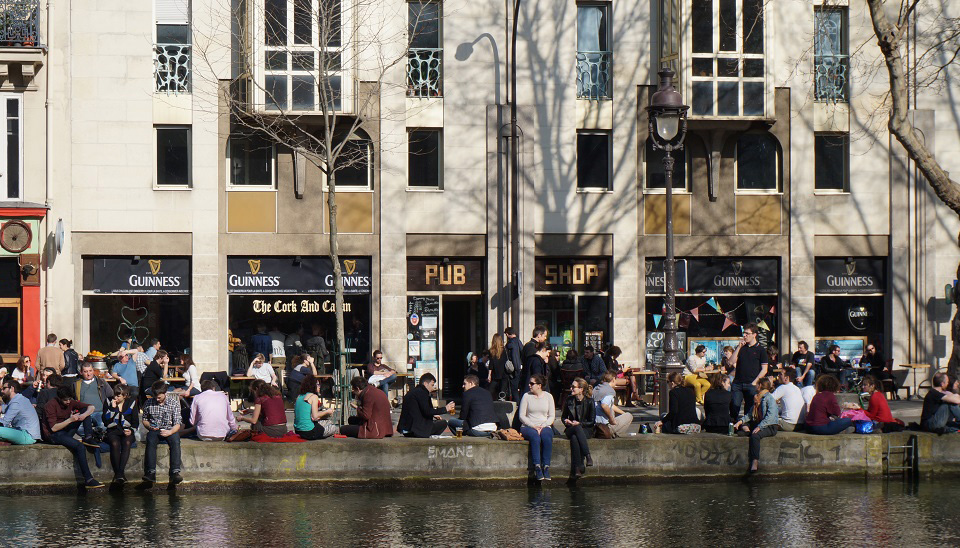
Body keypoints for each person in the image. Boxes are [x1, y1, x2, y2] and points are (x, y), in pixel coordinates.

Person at [46, 385, 103, 488]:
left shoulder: (71, 402)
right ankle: (88, 479)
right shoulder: (51, 405)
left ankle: (88, 437)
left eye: (69, 399)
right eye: (65, 400)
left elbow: (91, 407)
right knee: (80, 447)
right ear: (59, 398)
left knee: (85, 410)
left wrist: (83, 415)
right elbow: (54, 428)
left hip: (65, 431)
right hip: (54, 435)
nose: (68, 402)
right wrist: (70, 420)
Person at [141, 381, 183, 485]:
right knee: (150, 440)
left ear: (165, 393)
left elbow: (178, 423)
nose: (157, 399)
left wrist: (170, 432)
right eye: (155, 397)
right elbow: (145, 419)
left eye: (159, 397)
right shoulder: (149, 403)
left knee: (176, 441)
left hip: (170, 429)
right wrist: (149, 426)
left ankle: (175, 472)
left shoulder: (174, 403)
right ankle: (150, 472)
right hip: (155, 429)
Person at [735, 377, 779, 473]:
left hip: (770, 425)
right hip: (759, 422)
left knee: (755, 436)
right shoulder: (757, 398)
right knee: (740, 422)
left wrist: (760, 427)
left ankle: (755, 461)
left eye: (757, 384)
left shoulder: (769, 398)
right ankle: (747, 432)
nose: (755, 386)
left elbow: (770, 417)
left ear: (760, 386)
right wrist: (740, 422)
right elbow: (750, 414)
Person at [519, 374, 555, 481]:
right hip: (528, 425)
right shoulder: (526, 396)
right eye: (529, 383)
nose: (529, 385)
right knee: (535, 438)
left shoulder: (548, 397)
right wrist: (533, 426)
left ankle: (546, 466)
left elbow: (552, 416)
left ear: (539, 385)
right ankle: (537, 466)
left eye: (532, 383)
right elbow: (521, 416)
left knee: (547, 437)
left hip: (544, 425)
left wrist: (543, 426)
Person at [728, 324, 768, 420]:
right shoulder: (742, 348)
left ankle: (745, 425)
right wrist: (738, 348)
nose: (745, 336)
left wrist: (755, 382)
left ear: (754, 335)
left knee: (749, 408)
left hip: (751, 383)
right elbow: (730, 362)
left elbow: (764, 369)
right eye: (744, 333)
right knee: (734, 405)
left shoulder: (761, 350)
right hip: (738, 383)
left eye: (747, 333)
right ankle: (733, 424)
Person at [102, 386, 139, 484]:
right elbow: (105, 421)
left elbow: (135, 422)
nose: (115, 398)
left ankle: (119, 473)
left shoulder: (132, 403)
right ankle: (119, 475)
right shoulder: (108, 402)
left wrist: (131, 430)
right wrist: (112, 409)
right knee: (114, 443)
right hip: (113, 430)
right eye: (114, 395)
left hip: (127, 430)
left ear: (125, 396)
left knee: (127, 442)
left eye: (118, 396)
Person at [398, 373, 453, 437]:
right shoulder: (422, 393)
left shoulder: (412, 392)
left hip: (406, 428)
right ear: (425, 383)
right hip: (417, 430)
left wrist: (434, 414)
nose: (433, 388)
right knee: (443, 423)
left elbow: (417, 409)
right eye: (432, 385)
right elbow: (427, 411)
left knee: (435, 422)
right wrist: (445, 409)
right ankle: (429, 437)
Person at [561, 377, 595, 477]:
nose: (571, 389)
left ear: (581, 389)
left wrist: (580, 423)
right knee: (576, 429)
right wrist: (566, 421)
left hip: (585, 430)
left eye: (573, 387)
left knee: (575, 438)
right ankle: (587, 456)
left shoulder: (589, 401)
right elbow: (563, 417)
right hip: (571, 428)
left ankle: (577, 468)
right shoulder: (569, 400)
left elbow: (592, 422)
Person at [73, 362, 115, 437]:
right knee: (78, 428)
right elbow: (72, 399)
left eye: (90, 371)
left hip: (99, 412)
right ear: (81, 372)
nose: (88, 374)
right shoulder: (76, 384)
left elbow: (111, 395)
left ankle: (95, 433)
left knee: (103, 426)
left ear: (93, 371)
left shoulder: (101, 382)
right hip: (84, 413)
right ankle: (95, 434)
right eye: (85, 371)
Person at [294, 374, 337, 440]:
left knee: (328, 422)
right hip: (310, 432)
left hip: (298, 431)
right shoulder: (313, 397)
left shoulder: (299, 396)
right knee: (334, 427)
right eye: (318, 385)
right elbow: (315, 416)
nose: (319, 387)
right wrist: (327, 411)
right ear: (313, 386)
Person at [0, 378, 41, 445]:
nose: (2, 391)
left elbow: (5, 422)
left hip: (27, 435)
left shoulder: (17, 402)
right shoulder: (17, 399)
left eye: (4, 388)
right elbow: (3, 408)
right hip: (22, 432)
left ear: (12, 389)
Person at [594, 371, 634, 437]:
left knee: (621, 414)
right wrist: (611, 419)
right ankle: (613, 435)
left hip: (595, 425)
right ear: (613, 379)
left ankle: (613, 434)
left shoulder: (597, 388)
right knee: (629, 416)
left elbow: (610, 405)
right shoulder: (609, 391)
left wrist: (623, 413)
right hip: (604, 427)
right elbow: (604, 405)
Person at [487, 333, 511, 401]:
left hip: (495, 374)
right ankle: (502, 404)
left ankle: (490, 402)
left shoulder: (491, 351)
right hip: (504, 373)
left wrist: (489, 375)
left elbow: (491, 365)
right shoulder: (505, 350)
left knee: (491, 390)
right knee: (502, 391)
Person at [504, 327, 523, 402]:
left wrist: (516, 368)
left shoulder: (511, 343)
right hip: (519, 367)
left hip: (514, 369)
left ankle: (518, 404)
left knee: (514, 388)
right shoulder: (519, 341)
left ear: (507, 334)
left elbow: (514, 356)